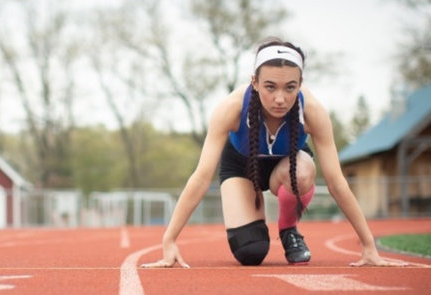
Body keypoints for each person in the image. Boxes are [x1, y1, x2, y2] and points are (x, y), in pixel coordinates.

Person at [142, 37, 405, 268]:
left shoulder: (312, 111)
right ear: (254, 82)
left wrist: (369, 244)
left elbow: (336, 181)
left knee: (302, 172)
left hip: (288, 165)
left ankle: (288, 228)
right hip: (241, 166)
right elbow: (200, 177)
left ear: (300, 84)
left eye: (290, 87)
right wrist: (170, 239)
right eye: (270, 87)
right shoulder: (231, 108)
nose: (280, 98)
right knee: (250, 252)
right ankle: (256, 230)